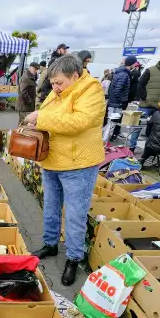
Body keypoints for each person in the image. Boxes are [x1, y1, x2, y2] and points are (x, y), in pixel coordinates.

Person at [24, 55, 105, 285]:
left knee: (75, 214)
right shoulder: (58, 92)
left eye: (60, 83)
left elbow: (78, 121)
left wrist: (41, 117)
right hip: (53, 160)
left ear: (76, 76)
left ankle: (73, 257)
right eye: (52, 83)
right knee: (50, 206)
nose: (55, 87)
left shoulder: (92, 90)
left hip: (78, 164)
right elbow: (51, 115)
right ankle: (50, 244)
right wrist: (38, 120)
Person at [130, 50, 160, 151]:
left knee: (154, 129)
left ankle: (149, 149)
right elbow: (141, 84)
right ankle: (131, 147)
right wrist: (144, 97)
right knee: (137, 127)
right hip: (146, 105)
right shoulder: (150, 70)